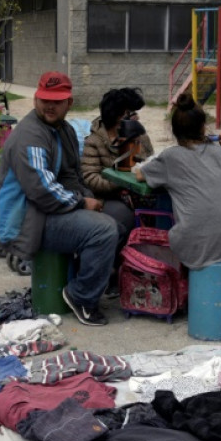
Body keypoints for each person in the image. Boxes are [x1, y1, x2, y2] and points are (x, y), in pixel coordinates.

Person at [0, 71, 118, 327]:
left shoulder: (64, 130)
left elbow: (72, 176)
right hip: (29, 220)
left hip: (49, 211)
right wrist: (84, 203)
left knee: (120, 217)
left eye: (57, 101)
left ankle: (100, 281)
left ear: (69, 103)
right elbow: (43, 191)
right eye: (44, 99)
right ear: (35, 100)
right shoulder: (31, 136)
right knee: (104, 230)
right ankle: (81, 296)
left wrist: (90, 198)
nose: (49, 106)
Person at [135, 93, 221, 271]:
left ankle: (179, 283)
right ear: (203, 128)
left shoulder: (170, 156)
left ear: (175, 130)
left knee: (171, 232)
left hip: (192, 243)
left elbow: (139, 175)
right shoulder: (220, 153)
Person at [81, 87, 154, 294]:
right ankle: (112, 271)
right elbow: (90, 177)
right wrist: (119, 181)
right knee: (124, 218)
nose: (136, 117)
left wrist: (138, 144)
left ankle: (147, 270)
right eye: (131, 114)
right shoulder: (95, 141)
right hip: (107, 198)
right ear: (120, 115)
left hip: (137, 194)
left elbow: (151, 162)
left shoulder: (137, 134)